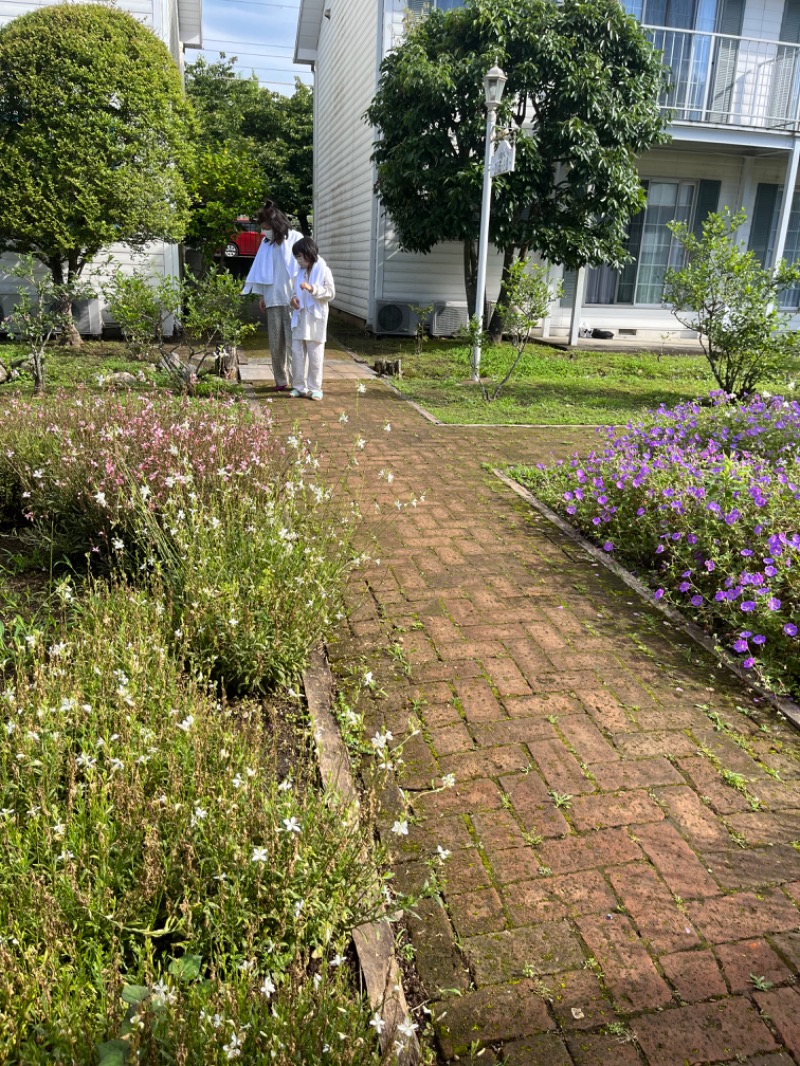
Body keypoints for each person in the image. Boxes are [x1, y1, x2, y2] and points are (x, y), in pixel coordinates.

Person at [241, 201, 304, 391]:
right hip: (272, 298)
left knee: (294, 344)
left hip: (292, 300)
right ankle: (280, 380)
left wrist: (299, 293)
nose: (264, 232)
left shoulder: (295, 238)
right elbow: (260, 269)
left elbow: (302, 268)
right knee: (276, 344)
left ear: (276, 225)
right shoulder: (265, 243)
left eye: (266, 228)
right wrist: (261, 295)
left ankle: (298, 382)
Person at [288, 237, 335, 401]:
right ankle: (299, 387)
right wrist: (293, 299)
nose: (298, 260)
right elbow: (295, 293)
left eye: (300, 256)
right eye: (296, 257)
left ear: (309, 253)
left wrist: (312, 288)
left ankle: (315, 388)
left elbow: (330, 293)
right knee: (297, 353)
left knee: (315, 355)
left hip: (315, 320)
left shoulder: (324, 270)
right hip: (300, 318)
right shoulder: (299, 272)